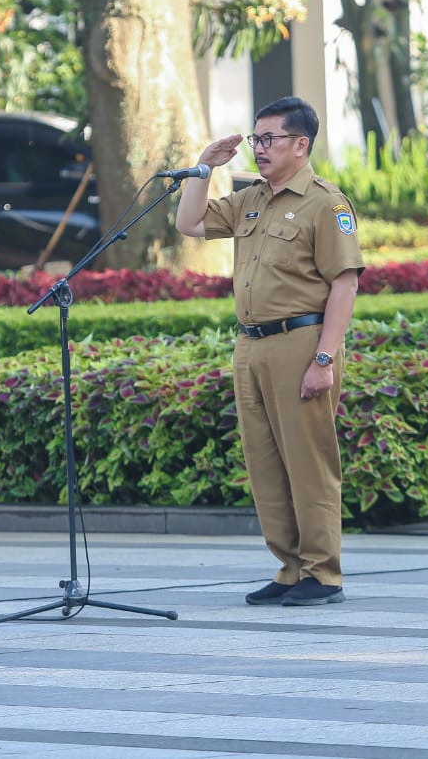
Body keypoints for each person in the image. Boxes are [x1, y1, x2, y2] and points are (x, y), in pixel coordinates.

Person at [175, 96, 364, 607]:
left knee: (308, 463)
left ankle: (323, 573)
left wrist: (324, 359)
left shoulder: (327, 204)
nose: (258, 148)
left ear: (300, 145)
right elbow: (190, 224)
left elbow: (344, 285)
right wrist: (204, 168)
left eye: (269, 139)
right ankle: (290, 568)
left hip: (301, 344)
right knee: (264, 464)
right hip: (251, 344)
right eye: (255, 139)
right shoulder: (251, 198)